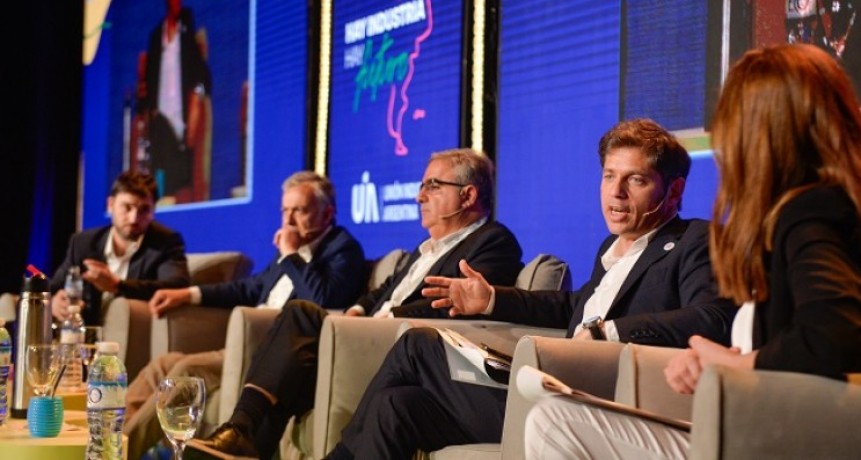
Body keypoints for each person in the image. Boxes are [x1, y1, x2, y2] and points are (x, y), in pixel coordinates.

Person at [324, 119, 737, 460]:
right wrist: (493, 299)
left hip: (595, 399)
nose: (616, 192)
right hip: (550, 380)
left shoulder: (693, 240)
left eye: (636, 180)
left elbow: (712, 316)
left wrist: (610, 332)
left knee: (418, 344)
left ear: (675, 190)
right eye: (610, 176)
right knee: (395, 406)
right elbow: (572, 307)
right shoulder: (611, 250)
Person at [523, 44, 861, 459]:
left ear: (765, 130)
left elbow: (833, 335)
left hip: (778, 437)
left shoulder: (808, 212)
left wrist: (733, 366)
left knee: (556, 422)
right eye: (609, 176)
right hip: (752, 417)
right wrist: (727, 361)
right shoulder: (821, 205)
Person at [187, 148, 524, 459]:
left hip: (402, 351)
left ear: (468, 195)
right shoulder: (425, 248)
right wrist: (360, 309)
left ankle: (245, 434)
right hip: (366, 338)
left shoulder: (493, 242)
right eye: (422, 186)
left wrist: (376, 320)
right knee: (296, 337)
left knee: (302, 314)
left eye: (433, 186)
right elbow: (385, 292)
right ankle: (242, 430)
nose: (419, 195)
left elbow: (456, 305)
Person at [122, 171, 367, 460]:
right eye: (284, 210)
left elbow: (324, 298)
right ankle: (109, 438)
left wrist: (290, 255)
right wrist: (189, 294)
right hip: (245, 343)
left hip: (273, 353)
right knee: (161, 365)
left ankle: (119, 454)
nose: (288, 220)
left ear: (328, 213)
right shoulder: (293, 248)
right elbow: (250, 288)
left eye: (299, 211)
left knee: (185, 371)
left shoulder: (344, 250)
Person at [49, 171, 189, 326]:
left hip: (134, 334)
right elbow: (54, 287)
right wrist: (54, 302)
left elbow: (176, 286)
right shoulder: (83, 243)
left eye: (144, 210)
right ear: (110, 205)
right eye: (127, 207)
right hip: (85, 336)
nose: (134, 218)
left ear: (153, 211)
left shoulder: (165, 242)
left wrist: (117, 285)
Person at [144, 0, 212, 202]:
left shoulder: (187, 34)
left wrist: (196, 100)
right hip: (161, 112)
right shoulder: (156, 36)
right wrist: (151, 109)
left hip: (182, 113)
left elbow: (202, 77)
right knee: (160, 164)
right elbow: (149, 77)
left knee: (183, 171)